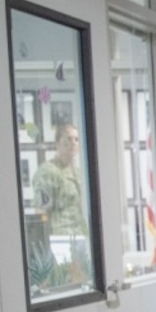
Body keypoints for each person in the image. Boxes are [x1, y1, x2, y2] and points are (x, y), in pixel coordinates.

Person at [30, 122, 90, 290]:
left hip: (79, 237)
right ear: (57, 143)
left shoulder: (78, 171)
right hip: (59, 237)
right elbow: (41, 211)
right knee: (65, 286)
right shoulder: (48, 172)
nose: (73, 143)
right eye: (68, 139)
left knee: (82, 284)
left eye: (77, 139)